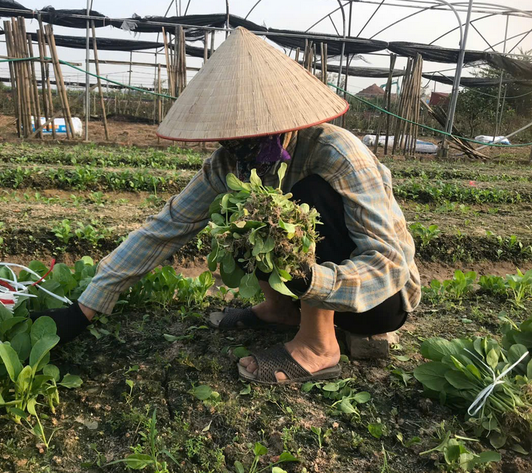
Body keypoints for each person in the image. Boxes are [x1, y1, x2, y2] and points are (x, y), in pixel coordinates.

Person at [35, 27, 421, 385]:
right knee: (241, 208)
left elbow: (388, 261)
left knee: (304, 198)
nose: (238, 141)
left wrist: (311, 280)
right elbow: (167, 227)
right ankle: (282, 312)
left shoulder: (335, 152)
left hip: (378, 302)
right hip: (303, 289)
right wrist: (84, 308)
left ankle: (319, 346)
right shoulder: (229, 164)